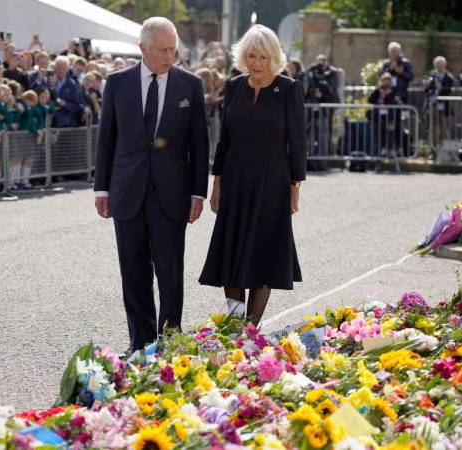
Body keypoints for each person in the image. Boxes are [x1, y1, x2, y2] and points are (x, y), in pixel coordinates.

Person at [94, 17, 209, 353]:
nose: (169, 56)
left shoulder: (190, 85)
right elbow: (106, 140)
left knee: (170, 271)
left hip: (171, 194)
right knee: (133, 271)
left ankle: (171, 339)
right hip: (126, 190)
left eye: (173, 48)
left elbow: (200, 144)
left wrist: (197, 192)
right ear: (142, 48)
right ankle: (140, 341)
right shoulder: (117, 83)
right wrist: (101, 188)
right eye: (162, 49)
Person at [198, 24, 307, 325]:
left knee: (264, 254)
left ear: (273, 57)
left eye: (262, 56)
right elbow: (225, 140)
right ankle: (234, 325)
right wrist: (217, 182)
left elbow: (297, 142)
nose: (256, 63)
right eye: (250, 56)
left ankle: (250, 328)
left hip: (272, 183)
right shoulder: (234, 87)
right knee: (230, 255)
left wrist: (295, 187)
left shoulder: (288, 88)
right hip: (235, 181)